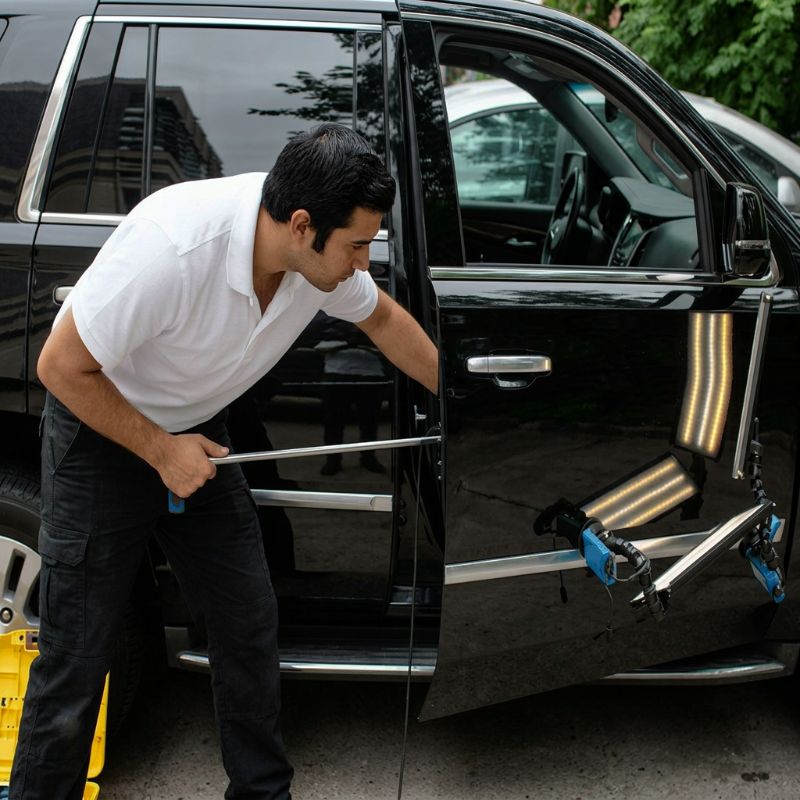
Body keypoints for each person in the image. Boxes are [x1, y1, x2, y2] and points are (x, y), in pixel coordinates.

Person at [10, 123, 438, 800]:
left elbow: (383, 321)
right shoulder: (175, 247)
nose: (364, 262)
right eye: (357, 245)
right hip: (101, 435)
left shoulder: (316, 266)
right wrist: (158, 449)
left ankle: (261, 793)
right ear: (302, 226)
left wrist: (458, 398)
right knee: (77, 655)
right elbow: (59, 367)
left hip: (195, 437)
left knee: (247, 622)